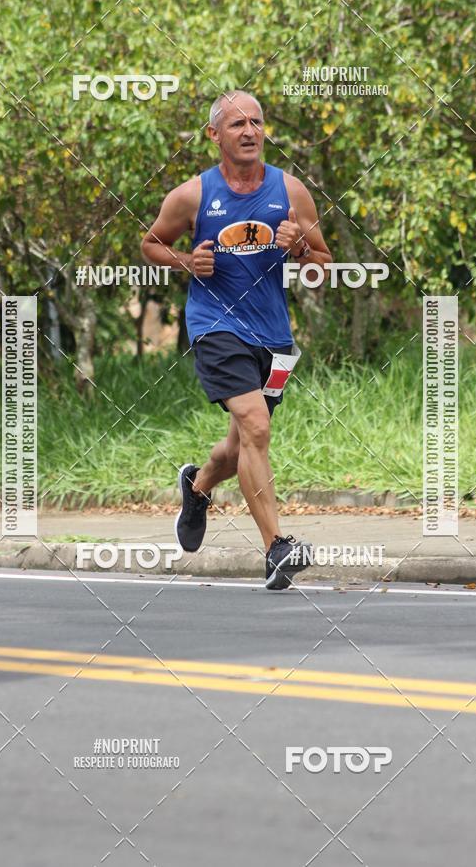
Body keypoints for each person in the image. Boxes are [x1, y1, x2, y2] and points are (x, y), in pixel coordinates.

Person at [141, 90, 331, 589]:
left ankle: (198, 486)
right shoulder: (192, 195)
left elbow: (322, 265)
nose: (249, 131)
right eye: (237, 123)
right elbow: (151, 243)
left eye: (257, 122)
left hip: (274, 335)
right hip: (216, 325)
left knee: (239, 446)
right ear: (214, 134)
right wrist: (187, 261)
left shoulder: (291, 191)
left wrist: (300, 251)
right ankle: (276, 548)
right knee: (256, 426)